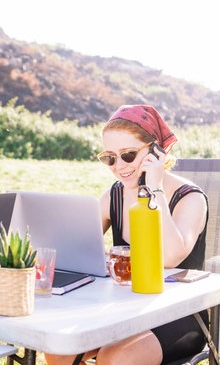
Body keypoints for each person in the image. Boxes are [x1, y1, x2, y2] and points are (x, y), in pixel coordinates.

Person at [45, 104, 209, 365]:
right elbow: (75, 247)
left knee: (115, 358)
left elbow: (169, 258)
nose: (118, 166)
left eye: (128, 155)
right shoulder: (115, 195)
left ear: (155, 151)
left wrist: (155, 190)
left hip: (177, 313)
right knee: (59, 352)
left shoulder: (190, 197)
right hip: (122, 308)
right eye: (109, 157)